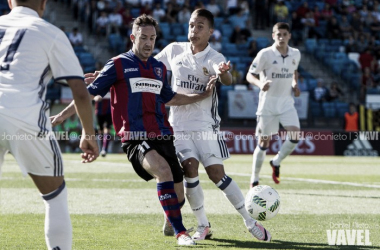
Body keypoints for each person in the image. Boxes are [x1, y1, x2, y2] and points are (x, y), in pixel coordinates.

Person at [51, 14, 217, 246]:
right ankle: (181, 233)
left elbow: (172, 98)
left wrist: (201, 95)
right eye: (143, 38)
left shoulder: (159, 68)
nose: (149, 43)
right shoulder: (118, 63)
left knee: (178, 196)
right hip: (135, 137)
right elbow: (87, 93)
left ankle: (171, 221)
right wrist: (61, 115)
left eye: (152, 38)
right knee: (163, 172)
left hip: (162, 134)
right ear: (133, 37)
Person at [155, 8, 271, 242]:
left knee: (217, 174)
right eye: (191, 25)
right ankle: (202, 225)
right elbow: (148, 67)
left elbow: (225, 79)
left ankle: (250, 222)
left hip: (206, 126)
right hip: (178, 126)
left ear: (210, 31)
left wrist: (224, 73)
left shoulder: (214, 57)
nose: (193, 30)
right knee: (189, 170)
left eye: (199, 26)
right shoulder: (174, 50)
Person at [0, 0, 99, 249]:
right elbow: (80, 91)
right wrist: (88, 133)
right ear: (43, 4)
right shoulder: (50, 33)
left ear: (10, 1)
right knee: (55, 196)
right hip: (26, 118)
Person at [246, 22, 301, 188]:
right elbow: (250, 75)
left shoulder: (296, 54)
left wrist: (294, 84)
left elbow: (294, 71)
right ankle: (254, 179)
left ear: (289, 36)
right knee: (264, 143)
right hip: (268, 104)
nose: (282, 37)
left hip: (286, 102)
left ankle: (276, 162)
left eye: (285, 34)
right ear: (273, 36)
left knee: (295, 135)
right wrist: (259, 84)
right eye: (278, 34)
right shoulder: (265, 54)